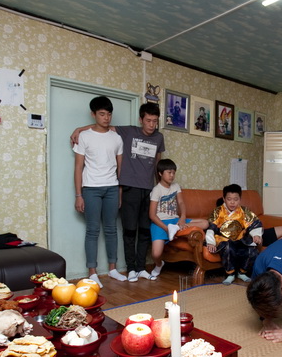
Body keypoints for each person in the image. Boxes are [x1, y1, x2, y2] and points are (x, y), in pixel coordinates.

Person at [71, 103, 166, 282]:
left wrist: (158, 188)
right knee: (128, 230)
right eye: (148, 120)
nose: (151, 125)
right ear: (141, 120)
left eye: (155, 121)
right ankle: (130, 269)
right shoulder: (128, 132)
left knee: (144, 230)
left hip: (147, 189)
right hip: (128, 187)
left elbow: (157, 164)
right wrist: (79, 129)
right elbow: (103, 126)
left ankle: (140, 268)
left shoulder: (158, 137)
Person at [73, 96, 127, 287]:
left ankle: (113, 269)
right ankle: (92, 272)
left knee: (111, 229)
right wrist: (78, 195)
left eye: (109, 114)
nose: (106, 118)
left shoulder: (117, 138)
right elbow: (78, 167)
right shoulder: (84, 136)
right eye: (102, 114)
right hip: (91, 189)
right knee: (92, 230)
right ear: (93, 114)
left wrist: (119, 192)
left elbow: (120, 169)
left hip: (112, 187)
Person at [148, 159, 209, 281]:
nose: (172, 175)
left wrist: (182, 219)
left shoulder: (176, 187)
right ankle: (159, 265)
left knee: (205, 223)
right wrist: (166, 229)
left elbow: (181, 203)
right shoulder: (157, 190)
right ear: (160, 173)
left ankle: (176, 228)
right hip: (160, 223)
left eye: (174, 173)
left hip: (175, 221)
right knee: (156, 254)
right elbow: (152, 215)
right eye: (169, 172)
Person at [206, 184, 263, 284]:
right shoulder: (218, 212)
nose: (232, 202)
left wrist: (256, 235)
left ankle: (242, 272)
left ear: (240, 199)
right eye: (229, 199)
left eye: (235, 199)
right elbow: (211, 228)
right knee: (228, 247)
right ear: (224, 199)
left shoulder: (244, 211)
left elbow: (254, 224)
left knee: (252, 250)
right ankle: (230, 274)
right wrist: (211, 242)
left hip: (241, 239)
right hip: (224, 240)